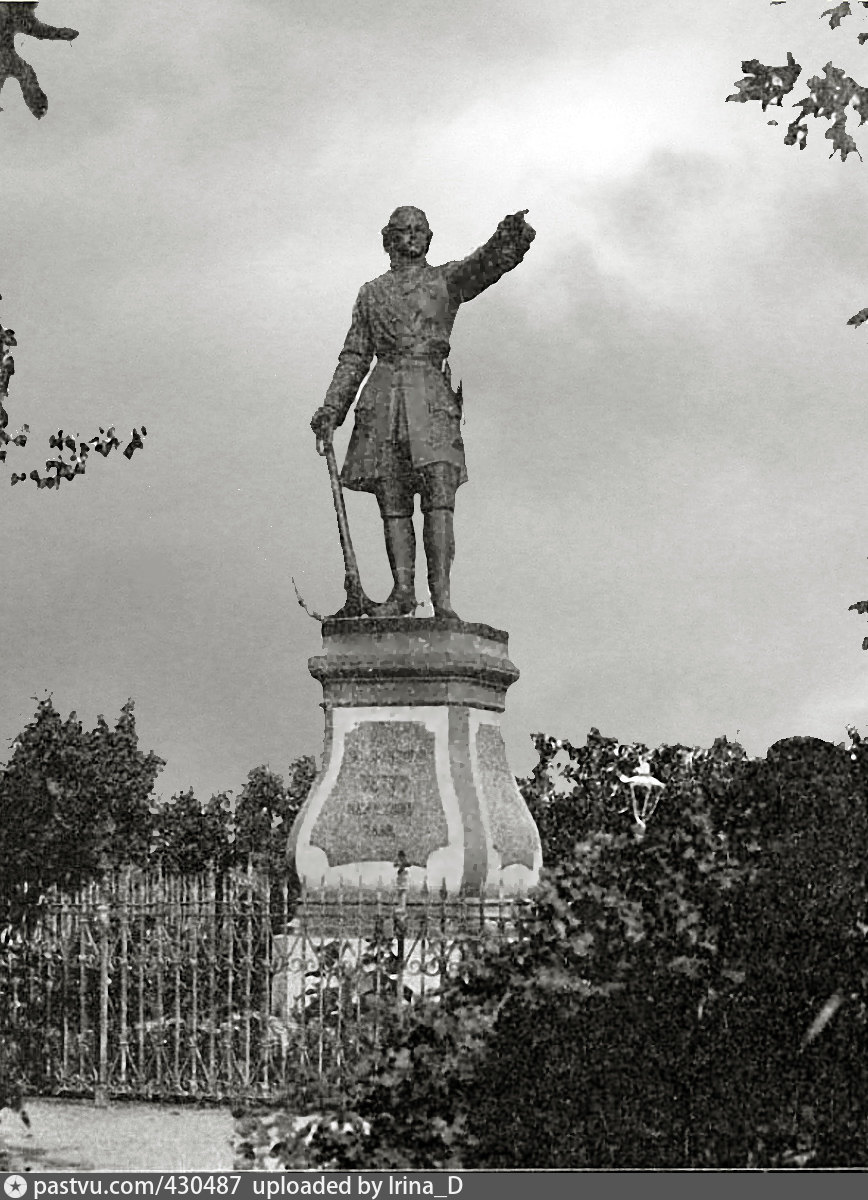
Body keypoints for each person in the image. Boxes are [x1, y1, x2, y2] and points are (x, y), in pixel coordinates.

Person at [311, 205, 535, 620]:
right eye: (402, 230)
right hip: (383, 400)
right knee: (392, 499)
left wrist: (510, 237)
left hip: (429, 396)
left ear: (428, 238)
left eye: (418, 230)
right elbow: (355, 355)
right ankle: (402, 592)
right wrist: (331, 408)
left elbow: (483, 266)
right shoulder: (371, 293)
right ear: (388, 239)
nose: (411, 236)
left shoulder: (444, 280)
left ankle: (442, 600)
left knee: (438, 498)